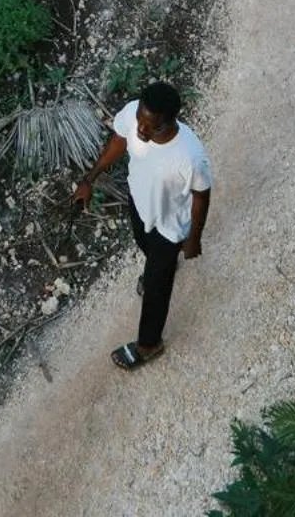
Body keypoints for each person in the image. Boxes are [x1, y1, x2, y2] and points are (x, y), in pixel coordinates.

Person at [73, 79, 212, 371]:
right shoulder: (136, 116)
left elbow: (201, 195)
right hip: (139, 205)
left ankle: (149, 345)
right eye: (140, 121)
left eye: (152, 126)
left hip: (170, 226)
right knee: (143, 246)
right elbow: (119, 140)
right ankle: (162, 268)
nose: (141, 130)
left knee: (156, 291)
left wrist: (193, 238)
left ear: (171, 121)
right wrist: (89, 179)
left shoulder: (190, 156)